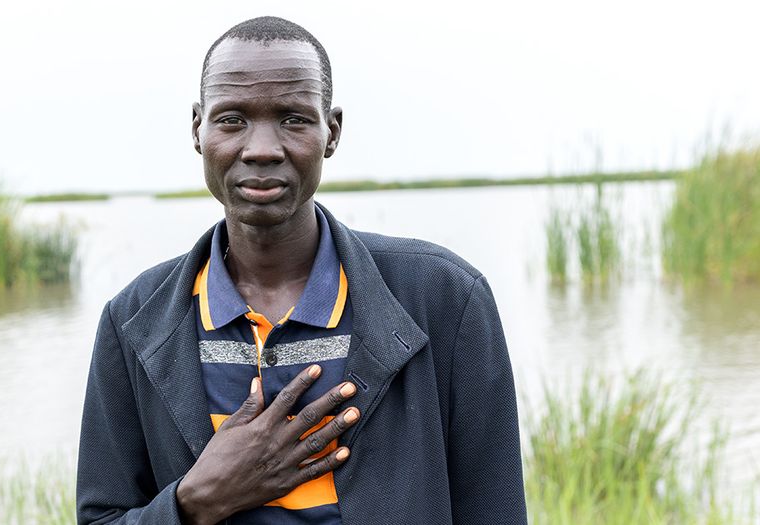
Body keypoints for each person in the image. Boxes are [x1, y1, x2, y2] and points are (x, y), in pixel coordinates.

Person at [77, 16, 526, 525]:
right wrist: (194, 501)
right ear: (197, 129)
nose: (261, 149)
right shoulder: (133, 321)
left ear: (331, 131)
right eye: (232, 119)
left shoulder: (446, 299)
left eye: (293, 119)